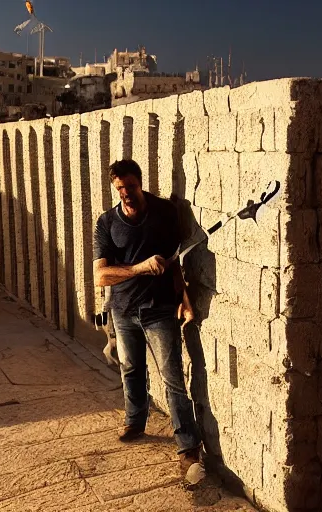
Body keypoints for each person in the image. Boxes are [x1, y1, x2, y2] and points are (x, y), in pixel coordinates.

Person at [93, 159, 202, 474]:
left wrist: (184, 299)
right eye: (119, 189)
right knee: (130, 368)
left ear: (140, 182)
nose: (125, 193)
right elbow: (101, 276)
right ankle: (135, 420)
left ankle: (188, 446)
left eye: (130, 186)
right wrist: (140, 267)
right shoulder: (106, 223)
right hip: (123, 310)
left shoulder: (165, 212)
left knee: (172, 378)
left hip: (159, 308)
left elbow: (176, 260)